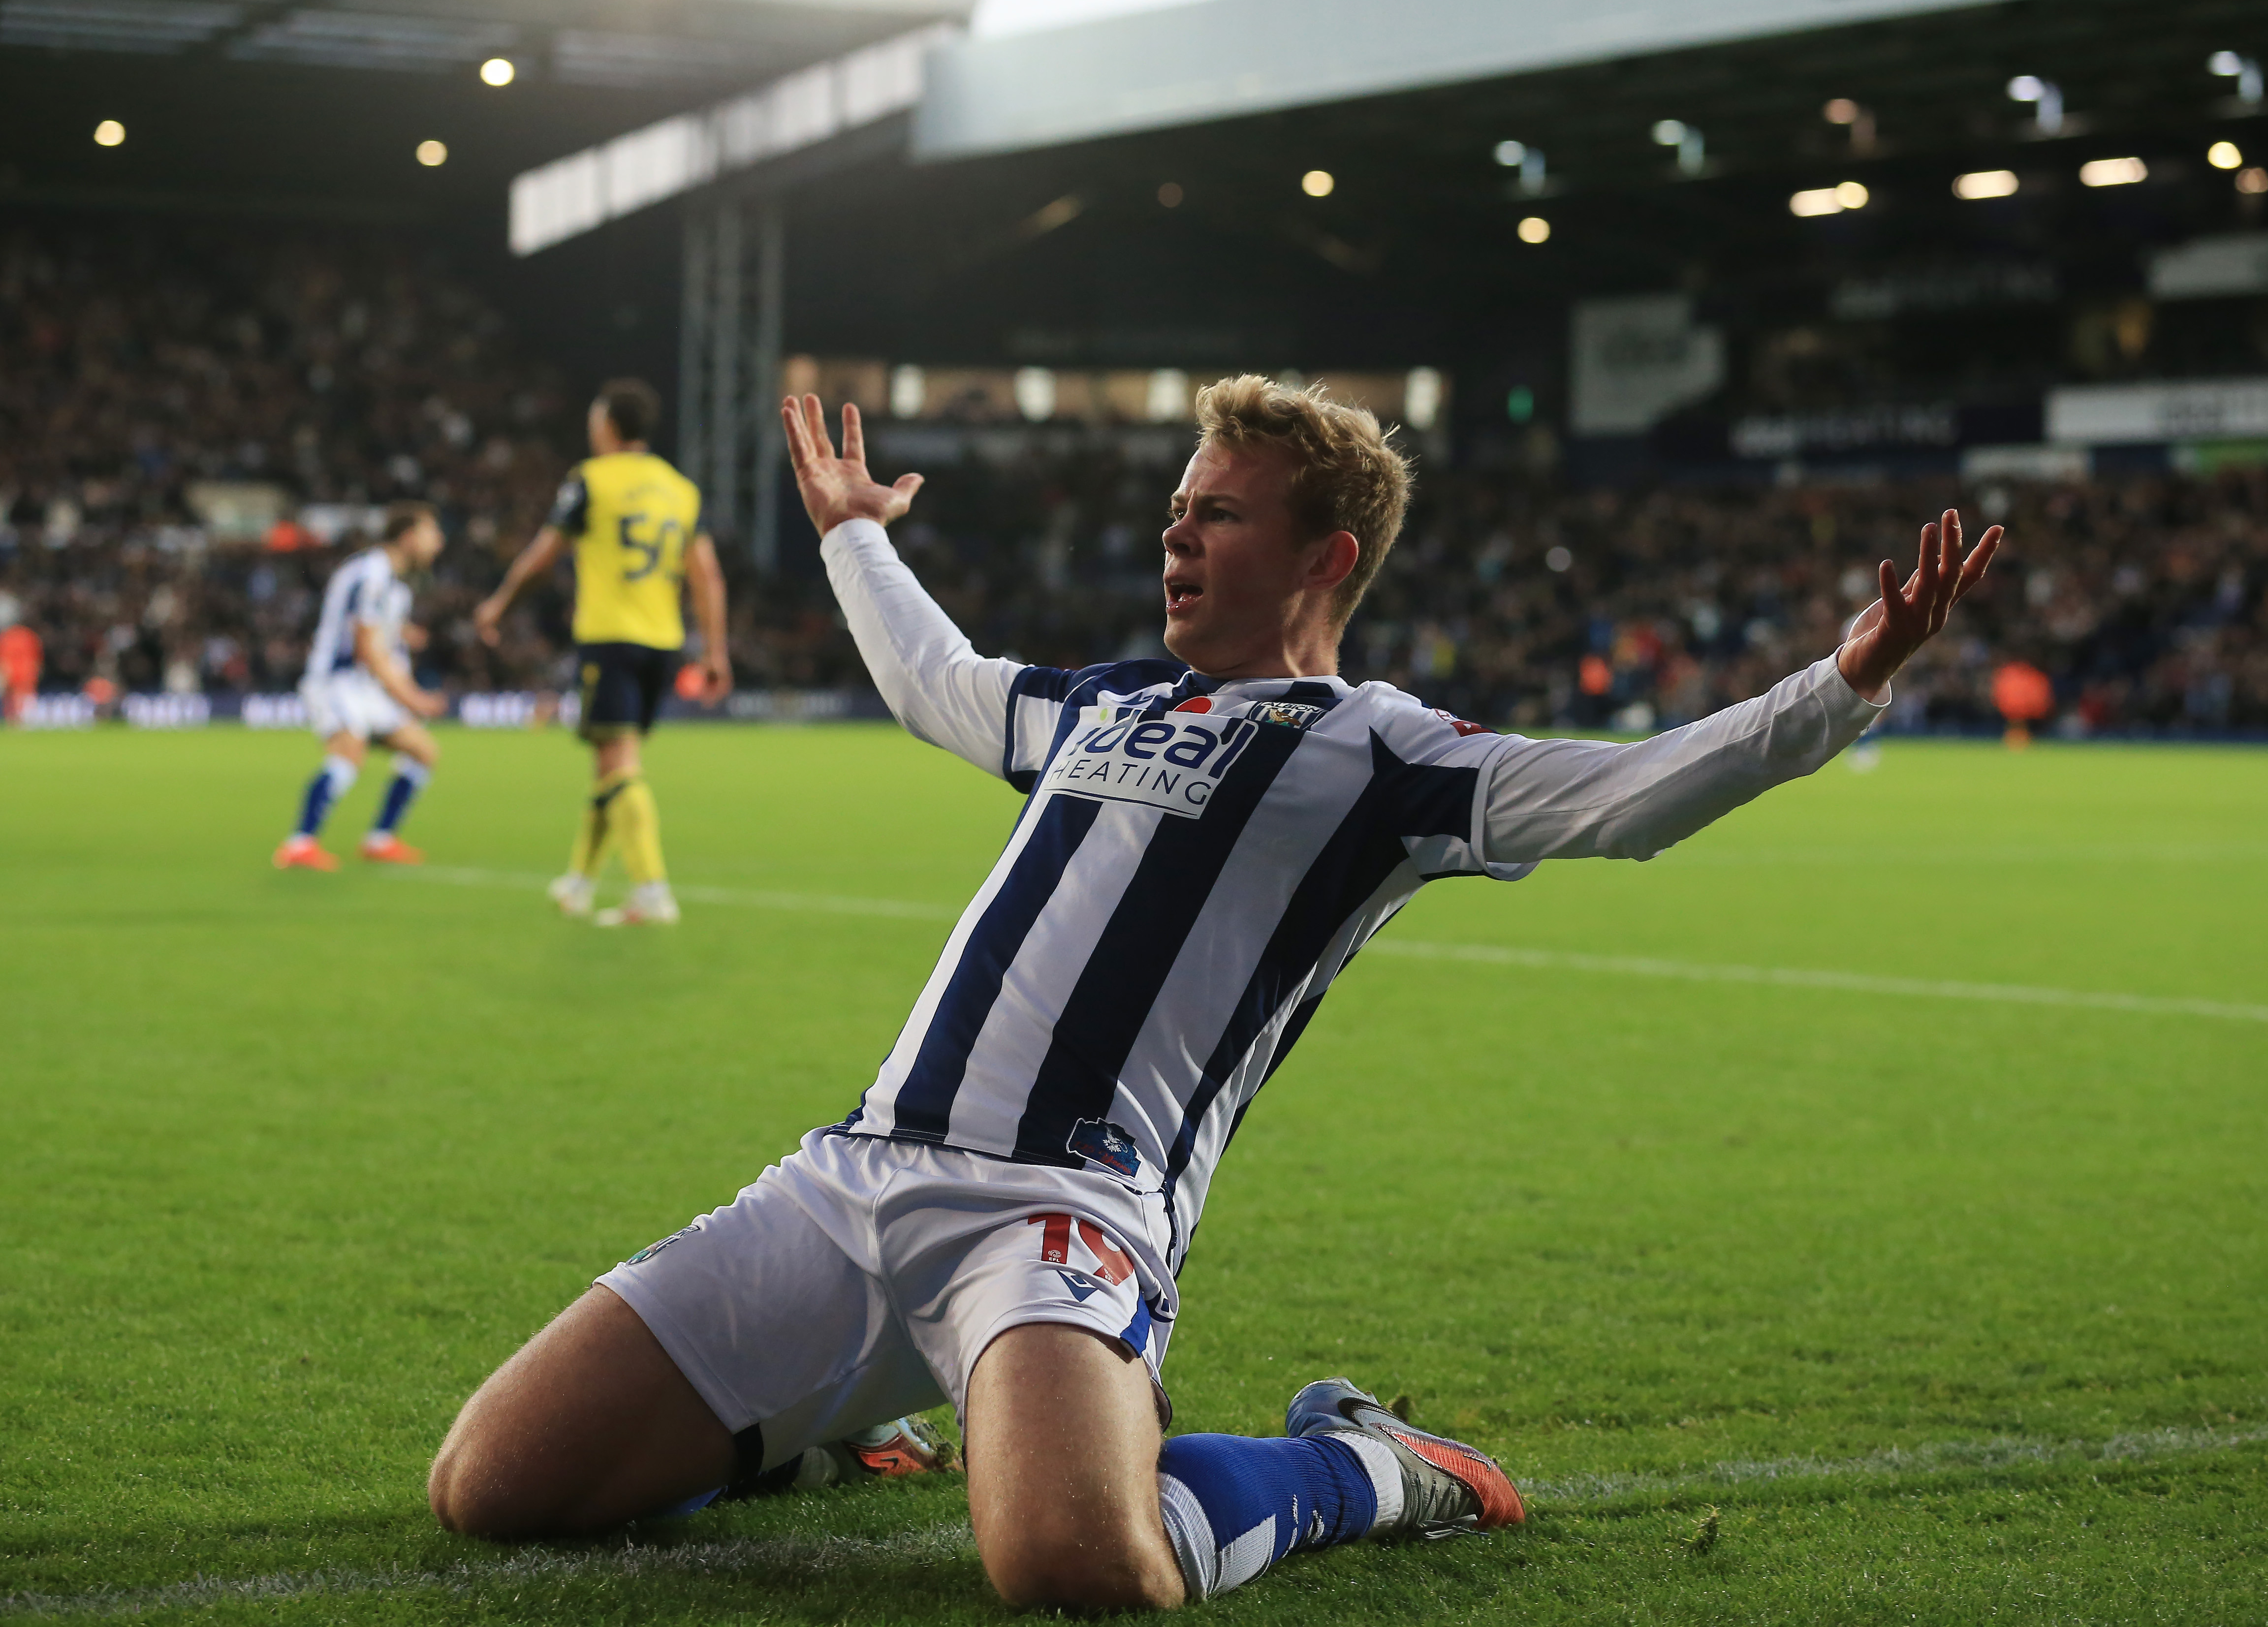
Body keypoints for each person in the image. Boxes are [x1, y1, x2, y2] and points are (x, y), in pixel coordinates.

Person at [426, 378, 2001, 1610]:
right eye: (1179, 512)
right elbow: (933, 681)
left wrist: (1841, 685)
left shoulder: (1386, 756)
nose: (1176, 539)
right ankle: (817, 1417)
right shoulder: (1101, 702)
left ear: (1327, 558)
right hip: (856, 1176)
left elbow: (1630, 797)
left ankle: (1357, 1465)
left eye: (1219, 518)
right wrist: (853, 530)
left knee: (1082, 1569)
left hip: (1065, 1213)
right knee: (489, 1487)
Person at [473, 378, 730, 927]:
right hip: (663, 642)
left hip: (611, 636)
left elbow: (543, 557)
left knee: (619, 765)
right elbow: (706, 574)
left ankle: (652, 892)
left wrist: (498, 605)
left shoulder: (591, 480)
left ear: (607, 425)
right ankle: (580, 883)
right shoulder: (680, 489)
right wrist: (715, 651)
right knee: (609, 767)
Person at [274, 501, 448, 871]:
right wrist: (412, 697)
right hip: (338, 681)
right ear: (407, 537)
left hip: (366, 687)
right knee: (348, 754)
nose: (439, 542)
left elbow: (376, 632)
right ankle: (299, 844)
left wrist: (403, 634)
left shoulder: (393, 583)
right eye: (432, 533)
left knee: (422, 751)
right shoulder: (372, 574)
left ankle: (380, 840)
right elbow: (366, 648)